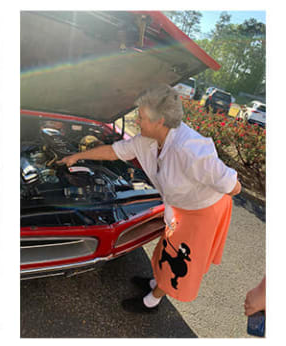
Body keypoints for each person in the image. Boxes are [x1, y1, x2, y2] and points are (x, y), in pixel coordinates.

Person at [58, 84, 241, 313]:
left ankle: (152, 300)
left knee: (180, 257)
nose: (137, 121)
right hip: (181, 207)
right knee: (167, 246)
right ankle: (157, 282)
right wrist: (76, 157)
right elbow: (113, 151)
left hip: (203, 212)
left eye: (142, 117)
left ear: (160, 121)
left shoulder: (191, 149)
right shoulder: (147, 138)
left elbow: (233, 187)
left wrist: (206, 186)